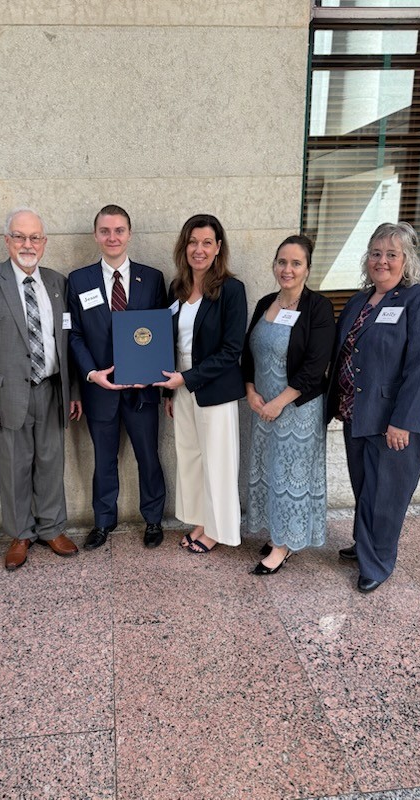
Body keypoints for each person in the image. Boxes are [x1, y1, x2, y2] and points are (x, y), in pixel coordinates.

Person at [327, 221, 420, 593]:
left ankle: (377, 563)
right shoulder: (359, 301)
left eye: (391, 254)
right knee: (365, 486)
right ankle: (365, 544)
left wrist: (403, 421)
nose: (382, 261)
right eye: (376, 253)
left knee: (387, 495)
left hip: (395, 421)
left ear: (407, 259)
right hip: (357, 413)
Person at [0, 208, 82, 571]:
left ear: (44, 243)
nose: (27, 244)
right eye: (19, 236)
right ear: (7, 241)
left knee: (51, 462)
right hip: (6, 396)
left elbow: (67, 343)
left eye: (34, 238)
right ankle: (20, 534)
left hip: (52, 389)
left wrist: (73, 392)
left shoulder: (58, 283)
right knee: (14, 466)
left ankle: (52, 528)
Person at [67, 204, 167, 550]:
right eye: (105, 231)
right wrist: (91, 374)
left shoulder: (152, 278)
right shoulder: (78, 280)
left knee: (148, 457)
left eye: (119, 230)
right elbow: (74, 334)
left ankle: (153, 519)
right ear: (96, 235)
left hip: (143, 390)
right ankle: (103, 522)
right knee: (104, 460)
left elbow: (160, 332)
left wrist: (151, 373)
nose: (113, 237)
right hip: (100, 390)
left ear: (129, 234)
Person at [242, 235, 335, 575]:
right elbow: (248, 353)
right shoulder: (266, 302)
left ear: (307, 269)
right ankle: (277, 532)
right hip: (263, 408)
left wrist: (279, 403)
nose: (288, 269)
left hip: (297, 410)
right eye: (282, 262)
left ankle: (283, 546)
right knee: (270, 473)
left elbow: (315, 365)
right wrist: (251, 391)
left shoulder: (318, 308)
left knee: (289, 476)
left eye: (296, 263)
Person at [155, 214, 247, 554]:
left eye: (207, 242)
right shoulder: (176, 288)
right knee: (191, 456)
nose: (199, 249)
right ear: (184, 246)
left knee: (218, 462)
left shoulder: (232, 290)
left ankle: (217, 530)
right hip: (180, 387)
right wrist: (169, 391)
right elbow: (169, 342)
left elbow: (232, 350)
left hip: (214, 389)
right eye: (193, 242)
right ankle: (200, 520)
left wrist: (188, 378)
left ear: (218, 247)